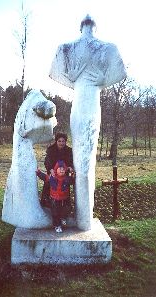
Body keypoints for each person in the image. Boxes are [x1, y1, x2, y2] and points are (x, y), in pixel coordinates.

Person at [49, 15, 127, 230]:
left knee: (82, 162)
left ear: (80, 26)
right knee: (86, 163)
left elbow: (56, 73)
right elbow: (119, 73)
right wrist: (97, 78)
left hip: (80, 105)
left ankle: (83, 219)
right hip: (91, 105)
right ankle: (84, 220)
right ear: (95, 26)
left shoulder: (66, 48)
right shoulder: (108, 48)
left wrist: (76, 80)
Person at [37, 160, 75, 233]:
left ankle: (63, 217)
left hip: (64, 199)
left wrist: (72, 174)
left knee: (67, 208)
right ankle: (57, 225)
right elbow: (44, 177)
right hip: (54, 200)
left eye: (63, 169)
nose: (62, 170)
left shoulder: (67, 178)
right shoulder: (52, 178)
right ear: (55, 170)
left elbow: (72, 181)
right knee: (55, 213)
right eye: (60, 168)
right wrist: (38, 173)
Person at [41, 132, 74, 207]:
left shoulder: (69, 150)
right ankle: (46, 204)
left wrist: (70, 167)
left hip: (63, 174)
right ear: (56, 141)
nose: (61, 143)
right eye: (59, 141)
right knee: (48, 185)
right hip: (53, 173)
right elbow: (47, 162)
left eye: (63, 141)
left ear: (65, 141)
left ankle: (64, 208)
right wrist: (50, 169)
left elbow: (71, 161)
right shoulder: (51, 150)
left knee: (64, 189)